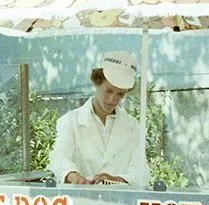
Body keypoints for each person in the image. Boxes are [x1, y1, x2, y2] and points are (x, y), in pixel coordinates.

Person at [48, 51, 148, 187]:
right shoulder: (70, 122)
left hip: (121, 204)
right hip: (81, 200)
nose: (113, 99)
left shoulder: (133, 126)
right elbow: (59, 158)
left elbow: (141, 170)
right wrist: (72, 174)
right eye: (108, 91)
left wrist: (118, 179)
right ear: (97, 82)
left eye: (120, 94)